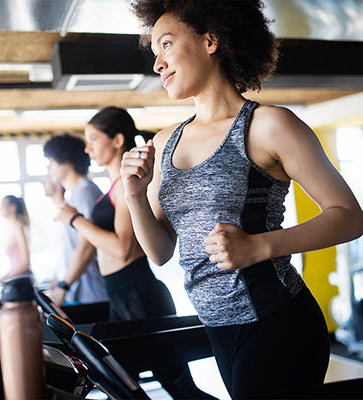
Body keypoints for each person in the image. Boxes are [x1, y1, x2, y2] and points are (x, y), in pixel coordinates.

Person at [121, 1, 363, 399]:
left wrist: (258, 246)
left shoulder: (269, 125)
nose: (157, 64)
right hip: (218, 326)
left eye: (166, 45)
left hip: (277, 322)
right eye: (154, 53)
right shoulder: (165, 142)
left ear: (210, 40)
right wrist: (134, 195)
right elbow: (160, 252)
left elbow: (349, 216)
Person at [56, 107, 215, 399]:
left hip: (138, 294)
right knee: (122, 385)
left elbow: (123, 248)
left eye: (93, 139)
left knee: (178, 387)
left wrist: (75, 219)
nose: (87, 147)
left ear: (117, 140)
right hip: (121, 293)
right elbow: (94, 245)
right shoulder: (112, 189)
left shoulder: (125, 188)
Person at [43, 133, 109, 307]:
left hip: (91, 294)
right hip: (77, 291)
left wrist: (64, 285)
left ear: (65, 160)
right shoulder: (74, 195)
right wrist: (57, 281)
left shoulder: (85, 192)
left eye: (51, 162)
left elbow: (86, 245)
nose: (49, 169)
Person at [0, 195, 32, 282]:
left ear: (12, 207)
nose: (0, 208)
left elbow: (26, 263)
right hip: (17, 277)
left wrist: (6, 279)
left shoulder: (19, 227)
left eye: (3, 205)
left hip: (22, 280)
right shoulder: (14, 228)